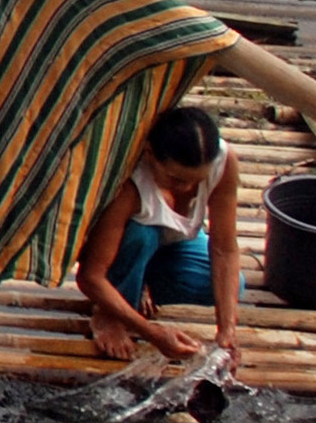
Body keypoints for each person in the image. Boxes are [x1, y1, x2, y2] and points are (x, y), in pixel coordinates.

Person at [74, 103, 242, 373]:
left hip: (172, 244)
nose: (187, 188)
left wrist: (226, 330)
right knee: (141, 235)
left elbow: (224, 249)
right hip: (128, 244)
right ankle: (109, 314)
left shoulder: (224, 163)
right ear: (151, 155)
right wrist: (152, 332)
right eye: (176, 179)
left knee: (226, 285)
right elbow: (90, 277)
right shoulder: (131, 185)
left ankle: (139, 282)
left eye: (195, 181)